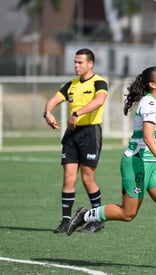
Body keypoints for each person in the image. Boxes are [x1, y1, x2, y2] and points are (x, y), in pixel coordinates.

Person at [66, 67, 156, 270]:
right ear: (152, 84)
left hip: (152, 164)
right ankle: (86, 215)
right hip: (136, 163)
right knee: (127, 214)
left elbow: (150, 136)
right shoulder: (149, 103)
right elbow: (146, 137)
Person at [43, 48, 108, 234]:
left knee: (88, 178)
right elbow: (53, 100)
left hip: (90, 132)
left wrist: (76, 113)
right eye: (75, 62)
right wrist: (47, 113)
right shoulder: (70, 84)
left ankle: (97, 220)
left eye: (80, 62)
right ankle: (65, 221)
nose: (76, 65)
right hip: (71, 134)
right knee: (68, 177)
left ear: (90, 64)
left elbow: (99, 101)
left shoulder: (99, 82)